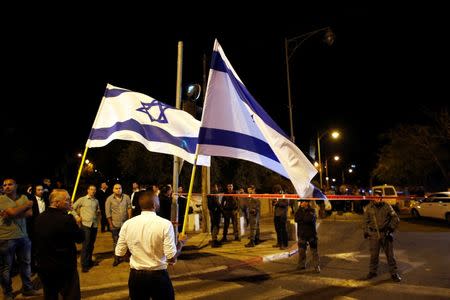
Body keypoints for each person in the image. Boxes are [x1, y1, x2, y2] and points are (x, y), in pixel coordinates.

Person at [115, 191, 186, 300]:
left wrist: (136, 254)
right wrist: (181, 243)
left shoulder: (128, 224)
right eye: (158, 201)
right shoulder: (165, 224)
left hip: (136, 276)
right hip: (158, 275)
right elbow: (171, 256)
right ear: (154, 205)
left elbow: (119, 253)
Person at [35, 189, 85, 300]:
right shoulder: (66, 219)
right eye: (67, 200)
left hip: (45, 267)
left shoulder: (39, 218)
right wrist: (77, 221)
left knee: (50, 295)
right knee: (71, 295)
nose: (70, 202)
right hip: (64, 267)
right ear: (57, 203)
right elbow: (80, 238)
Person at [0, 178, 38, 299]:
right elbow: (12, 213)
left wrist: (14, 213)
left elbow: (30, 214)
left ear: (16, 186)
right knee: (6, 267)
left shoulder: (23, 197)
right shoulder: (1, 199)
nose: (6, 187)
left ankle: (27, 288)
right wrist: (26, 206)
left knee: (26, 264)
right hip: (6, 238)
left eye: (10, 184)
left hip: (23, 236)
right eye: (4, 185)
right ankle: (7, 292)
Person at [363, 191, 402, 282]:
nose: (377, 199)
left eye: (379, 197)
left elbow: (395, 218)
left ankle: (394, 273)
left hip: (386, 234)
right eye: (375, 197)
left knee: (390, 256)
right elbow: (365, 221)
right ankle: (372, 272)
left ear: (381, 197)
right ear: (373, 197)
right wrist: (365, 231)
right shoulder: (369, 208)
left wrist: (390, 229)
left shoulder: (387, 206)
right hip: (374, 235)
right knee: (374, 255)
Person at [71, 185, 101, 273]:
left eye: (94, 190)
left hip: (94, 225)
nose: (93, 191)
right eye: (91, 189)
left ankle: (89, 261)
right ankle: (84, 265)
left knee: (91, 244)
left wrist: (98, 212)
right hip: (85, 225)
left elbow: (98, 210)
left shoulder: (96, 201)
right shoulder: (82, 199)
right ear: (88, 190)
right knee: (86, 244)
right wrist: (76, 216)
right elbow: (71, 208)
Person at [105, 183, 132, 266]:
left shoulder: (126, 197)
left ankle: (125, 257)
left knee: (126, 241)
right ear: (113, 190)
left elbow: (129, 208)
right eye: (116, 188)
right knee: (116, 242)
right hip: (115, 224)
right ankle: (116, 259)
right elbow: (108, 212)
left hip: (125, 224)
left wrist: (129, 220)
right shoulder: (109, 199)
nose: (118, 190)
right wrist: (110, 224)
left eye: (120, 188)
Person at [295, 200, 320, 272]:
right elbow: (296, 219)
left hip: (311, 234)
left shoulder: (312, 210)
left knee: (314, 251)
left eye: (303, 201)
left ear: (307, 203)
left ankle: (316, 266)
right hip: (302, 234)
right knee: (301, 251)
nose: (301, 203)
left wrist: (302, 218)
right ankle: (301, 265)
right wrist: (303, 217)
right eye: (301, 202)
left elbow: (308, 219)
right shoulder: (299, 210)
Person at [272, 184, 289, 249]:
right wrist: (273, 203)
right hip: (276, 215)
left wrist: (278, 203)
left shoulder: (284, 195)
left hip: (282, 215)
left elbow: (286, 203)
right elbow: (274, 203)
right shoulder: (276, 195)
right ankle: (279, 243)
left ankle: (284, 244)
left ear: (279, 190)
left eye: (276, 191)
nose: (275, 193)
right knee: (277, 230)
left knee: (283, 230)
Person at [207, 183, 223, 248]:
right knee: (216, 226)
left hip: (212, 212)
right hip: (216, 212)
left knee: (213, 225)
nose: (217, 188)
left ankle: (214, 239)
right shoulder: (214, 194)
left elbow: (209, 204)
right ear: (214, 187)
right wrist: (222, 209)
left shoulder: (209, 194)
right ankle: (214, 241)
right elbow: (217, 203)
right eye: (216, 187)